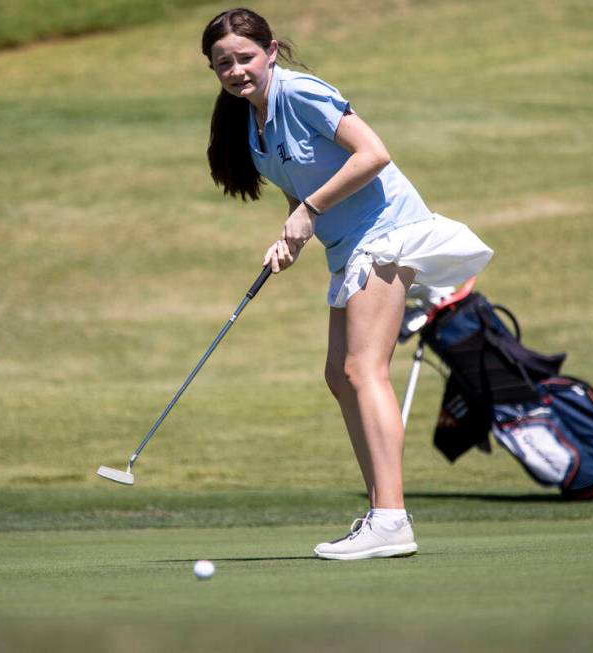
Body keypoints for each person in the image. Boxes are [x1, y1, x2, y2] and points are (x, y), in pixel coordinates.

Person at [201, 9, 494, 560]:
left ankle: (391, 518)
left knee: (363, 370)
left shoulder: (302, 92)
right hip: (347, 247)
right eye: (223, 63)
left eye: (244, 57)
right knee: (340, 374)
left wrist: (308, 209)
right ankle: (382, 513)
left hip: (386, 231)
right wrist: (292, 234)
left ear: (270, 50)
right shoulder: (251, 120)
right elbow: (302, 180)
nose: (236, 70)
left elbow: (374, 153)